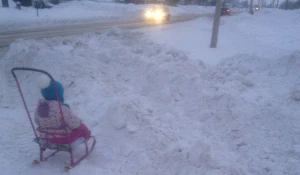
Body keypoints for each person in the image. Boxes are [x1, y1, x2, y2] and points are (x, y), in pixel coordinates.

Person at [34, 75, 91, 147]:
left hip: (46, 137)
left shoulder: (39, 108)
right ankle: (86, 136)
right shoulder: (62, 109)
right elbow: (75, 124)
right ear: (59, 94)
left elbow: (37, 121)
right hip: (63, 138)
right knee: (82, 127)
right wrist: (79, 123)